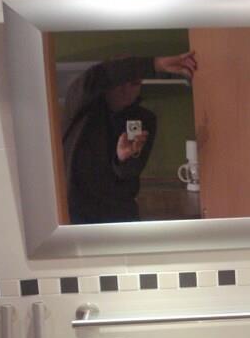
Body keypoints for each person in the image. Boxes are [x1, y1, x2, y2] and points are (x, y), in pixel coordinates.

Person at [61, 52, 198, 224]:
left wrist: (123, 158)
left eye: (134, 84)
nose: (126, 90)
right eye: (120, 82)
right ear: (108, 82)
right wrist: (155, 64)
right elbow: (99, 75)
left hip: (119, 213)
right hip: (76, 209)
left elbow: (130, 174)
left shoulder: (144, 119)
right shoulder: (81, 105)